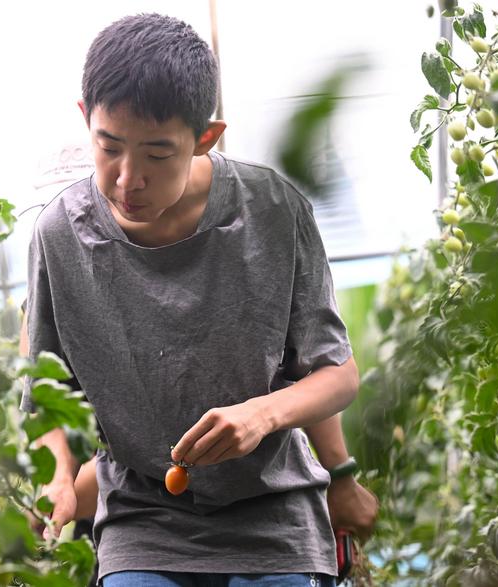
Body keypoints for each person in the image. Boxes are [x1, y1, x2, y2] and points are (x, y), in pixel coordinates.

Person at [21, 13, 375, 586]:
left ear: (205, 138)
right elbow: (45, 391)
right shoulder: (59, 236)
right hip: (143, 518)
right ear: (86, 119)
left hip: (274, 511)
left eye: (158, 155)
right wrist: (59, 475)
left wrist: (263, 415)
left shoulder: (273, 209)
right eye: (108, 147)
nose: (127, 179)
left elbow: (338, 374)